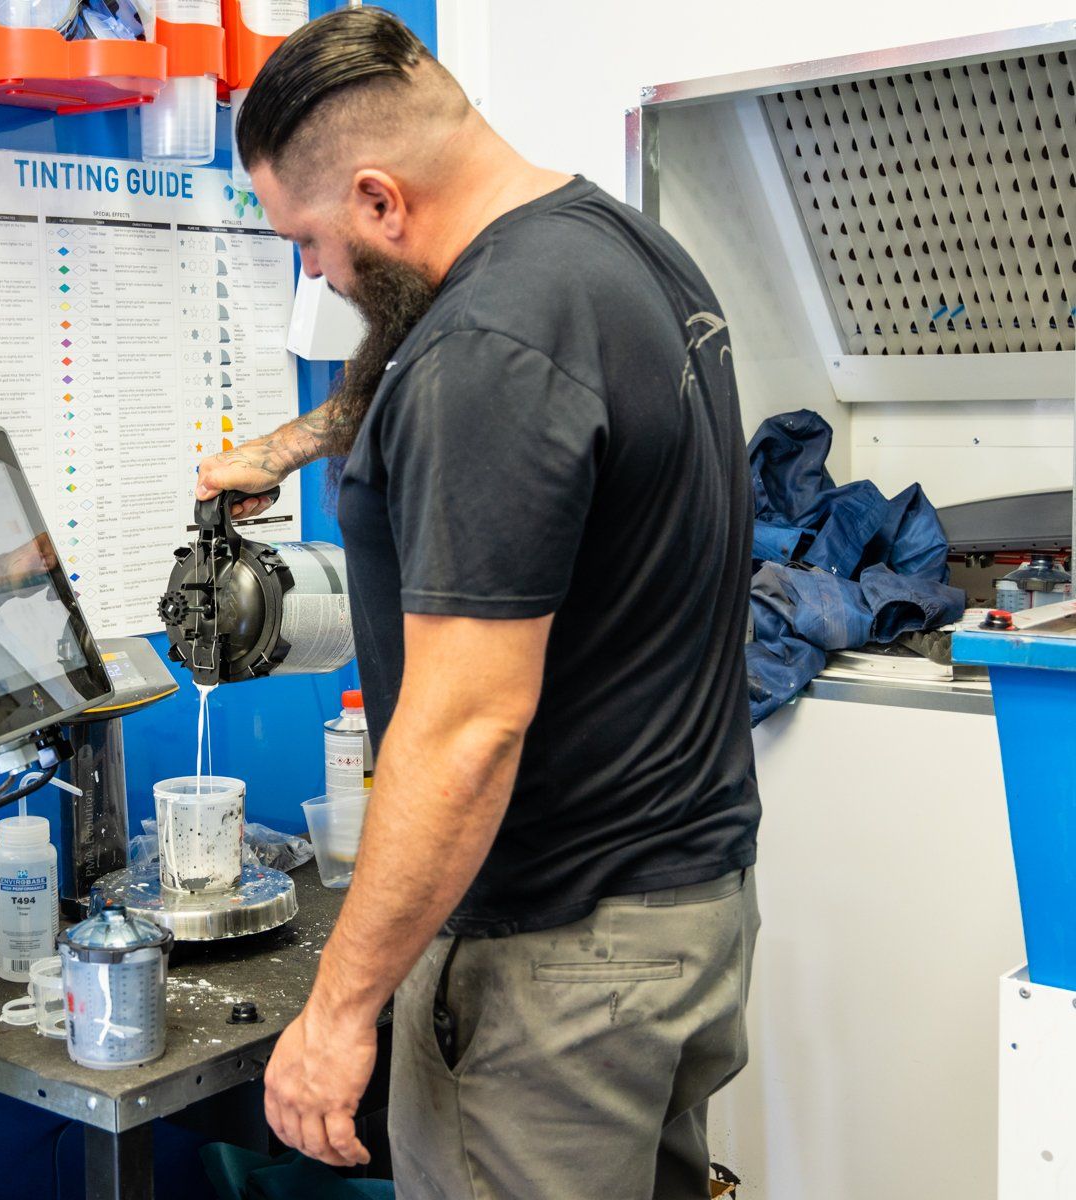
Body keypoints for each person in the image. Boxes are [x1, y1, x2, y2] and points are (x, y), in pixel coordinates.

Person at [193, 10, 761, 1199]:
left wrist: (340, 1014)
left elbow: (464, 734)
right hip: (682, 912)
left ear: (380, 200)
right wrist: (298, 442)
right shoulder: (614, 249)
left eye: (310, 239)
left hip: (548, 964)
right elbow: (453, 352)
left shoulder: (486, 354)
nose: (315, 272)